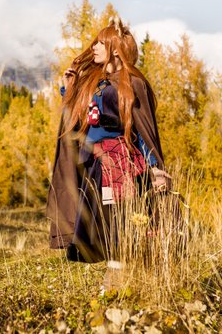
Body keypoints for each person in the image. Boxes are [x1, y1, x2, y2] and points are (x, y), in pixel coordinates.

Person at [46, 16, 170, 266]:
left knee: (118, 227)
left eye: (101, 43)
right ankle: (117, 279)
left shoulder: (133, 83)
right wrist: (69, 89)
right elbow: (76, 123)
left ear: (115, 49)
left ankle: (117, 280)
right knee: (99, 230)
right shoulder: (96, 83)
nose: (94, 47)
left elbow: (141, 130)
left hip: (120, 165)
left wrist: (155, 167)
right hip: (93, 165)